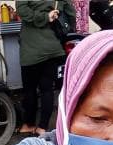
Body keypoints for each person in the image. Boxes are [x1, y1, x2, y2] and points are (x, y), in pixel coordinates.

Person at [16, 0, 76, 136]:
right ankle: (42, 127)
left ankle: (28, 125)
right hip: (53, 49)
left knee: (30, 89)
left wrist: (43, 17)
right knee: (47, 89)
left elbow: (22, 11)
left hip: (31, 51)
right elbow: (71, 14)